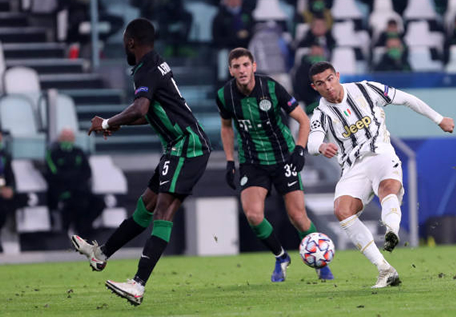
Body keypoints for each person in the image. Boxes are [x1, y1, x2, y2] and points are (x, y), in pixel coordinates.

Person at [71, 18, 211, 306]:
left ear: (131, 41)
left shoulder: (145, 69)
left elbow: (141, 107)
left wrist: (107, 121)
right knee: (146, 204)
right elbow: (148, 112)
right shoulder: (154, 64)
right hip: (177, 145)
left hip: (188, 145)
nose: (124, 43)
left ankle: (138, 284)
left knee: (163, 210)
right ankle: (102, 254)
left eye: (124, 39)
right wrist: (119, 124)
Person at [307, 61, 454, 288]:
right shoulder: (321, 113)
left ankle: (391, 231)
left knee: (388, 189)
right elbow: (312, 140)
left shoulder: (365, 89)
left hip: (381, 152)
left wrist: (439, 119)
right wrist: (321, 147)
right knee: (342, 211)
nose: (327, 86)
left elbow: (406, 98)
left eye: (329, 79)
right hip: (353, 167)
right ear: (314, 87)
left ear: (337, 75)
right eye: (320, 83)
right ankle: (385, 269)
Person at [216, 47, 334, 282]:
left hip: (283, 157)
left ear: (254, 67)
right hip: (252, 161)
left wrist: (300, 150)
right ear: (230, 70)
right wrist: (230, 161)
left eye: (245, 65)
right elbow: (226, 127)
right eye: (236, 66)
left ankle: (321, 264)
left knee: (297, 216)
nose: (241, 70)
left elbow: (302, 120)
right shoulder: (224, 95)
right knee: (253, 215)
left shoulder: (271, 87)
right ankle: (281, 257)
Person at [45, 128, 104, 238]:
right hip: (63, 191)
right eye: (65, 137)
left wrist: (73, 177)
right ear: (60, 138)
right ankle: (77, 231)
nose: (68, 139)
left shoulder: (79, 152)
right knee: (78, 203)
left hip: (81, 190)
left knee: (99, 203)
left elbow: (87, 172)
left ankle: (83, 228)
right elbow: (55, 174)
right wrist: (74, 176)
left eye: (70, 137)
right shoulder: (53, 154)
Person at [0, 131, 16, 253]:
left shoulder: (5, 155)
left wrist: (10, 188)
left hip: (2, 193)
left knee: (2, 216)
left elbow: (10, 175)